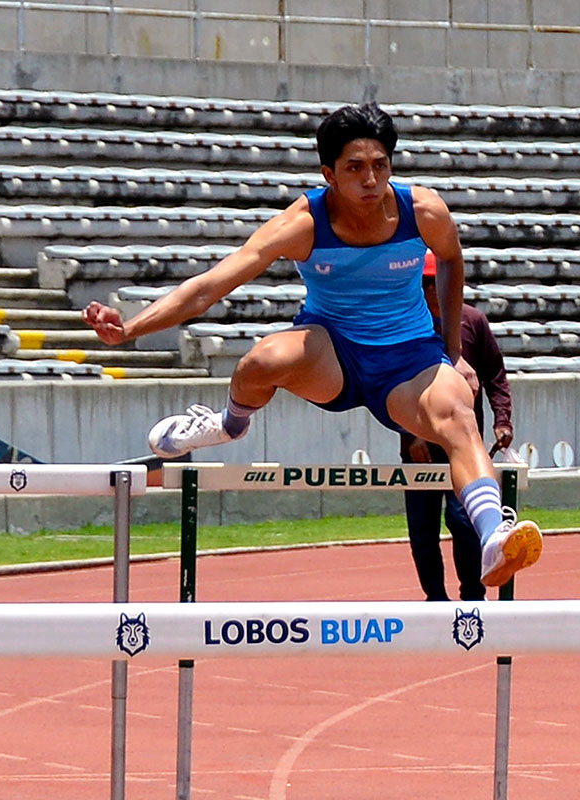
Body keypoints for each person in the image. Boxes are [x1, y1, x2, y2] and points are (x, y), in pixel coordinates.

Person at [81, 102, 541, 588]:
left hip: (408, 358)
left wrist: (453, 353)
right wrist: (130, 329)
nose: (370, 179)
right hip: (334, 353)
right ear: (329, 174)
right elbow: (209, 288)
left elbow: (450, 259)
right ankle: (227, 425)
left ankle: (493, 539)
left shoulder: (423, 211)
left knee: (459, 413)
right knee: (261, 361)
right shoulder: (303, 222)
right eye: (355, 168)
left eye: (380, 166)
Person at [401, 251, 514, 601]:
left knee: (464, 522)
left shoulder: (473, 322)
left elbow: (495, 376)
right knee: (422, 530)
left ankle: (473, 596)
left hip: (463, 445)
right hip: (418, 447)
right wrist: (412, 435)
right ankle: (434, 598)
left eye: (437, 282)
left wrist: (502, 420)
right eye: (424, 283)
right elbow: (394, 387)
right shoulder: (404, 326)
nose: (431, 290)